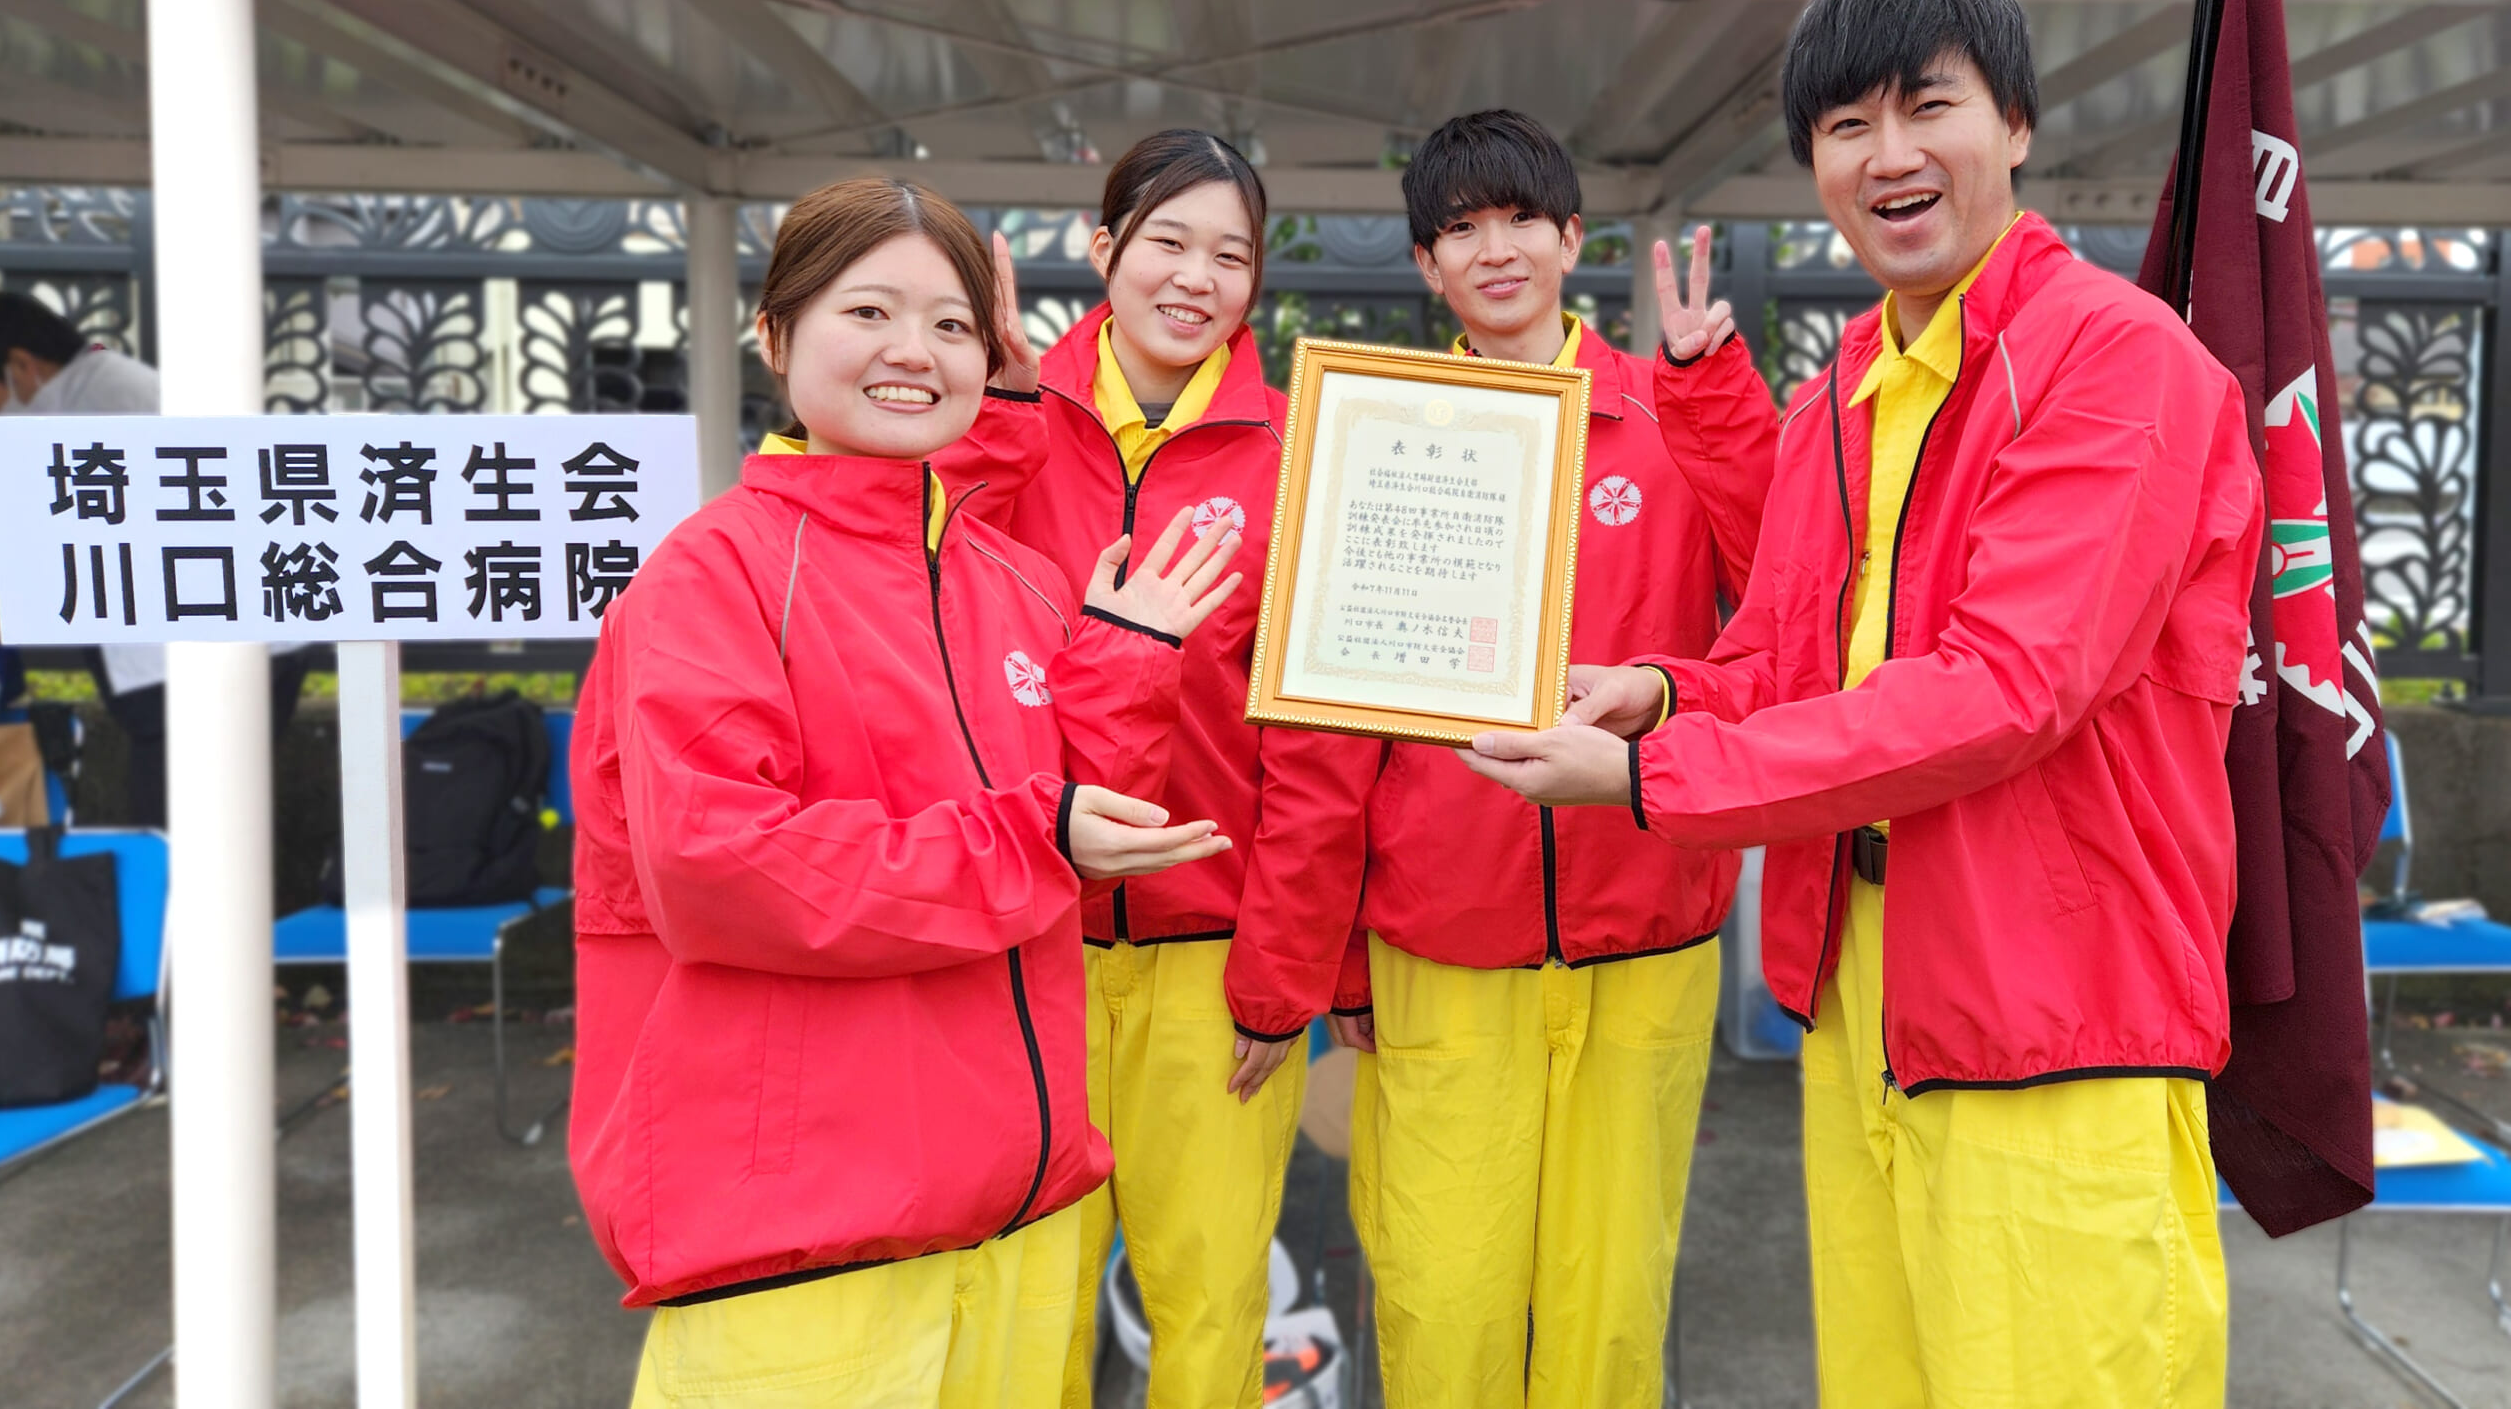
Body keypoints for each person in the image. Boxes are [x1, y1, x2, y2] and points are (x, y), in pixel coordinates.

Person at [1459, 0, 2262, 1408]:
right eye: (1844, 126)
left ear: (2014, 123)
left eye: (1926, 107)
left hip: (2054, 1021)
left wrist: (1653, 778)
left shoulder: (2115, 360)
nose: (1886, 156)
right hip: (1861, 1002)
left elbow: (2008, 685)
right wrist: (1655, 690)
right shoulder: (1845, 390)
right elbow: (1784, 660)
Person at [566, 178, 1248, 1408]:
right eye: (868, 310)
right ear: (775, 336)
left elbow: (1071, 825)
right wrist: (1032, 832)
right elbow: (721, 865)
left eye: (950, 326)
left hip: (1014, 1210)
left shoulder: (1015, 577)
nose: (912, 353)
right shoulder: (711, 577)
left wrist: (1128, 656)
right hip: (803, 1233)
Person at [1319, 111, 1782, 1408]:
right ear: (1426, 265)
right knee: (1441, 1292)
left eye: (1520, 216)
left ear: (1572, 236)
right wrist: (1342, 941)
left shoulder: (1678, 406)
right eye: (1459, 228)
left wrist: (1719, 396)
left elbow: (1789, 600)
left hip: (1644, 929)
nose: (1495, 247)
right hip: (1440, 938)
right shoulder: (1384, 435)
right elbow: (1330, 728)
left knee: (1609, 1302)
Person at [950, 130, 1362, 1409]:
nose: (1196, 279)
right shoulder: (1001, 414)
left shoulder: (1304, 451)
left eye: (1229, 255)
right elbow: (940, 634)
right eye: (1168, 242)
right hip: (1028, 946)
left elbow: (1322, 746)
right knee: (1021, 1303)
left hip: (1211, 951)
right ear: (1103, 249)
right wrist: (1002, 420)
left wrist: (1281, 974)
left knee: (1209, 1304)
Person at [0, 292, 310, 823]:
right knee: (205, 832)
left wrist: (30, 606)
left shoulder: (107, 405)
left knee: (183, 840)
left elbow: (152, 546)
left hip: (205, 661)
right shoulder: (92, 396)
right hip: (208, 655)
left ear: (21, 365)